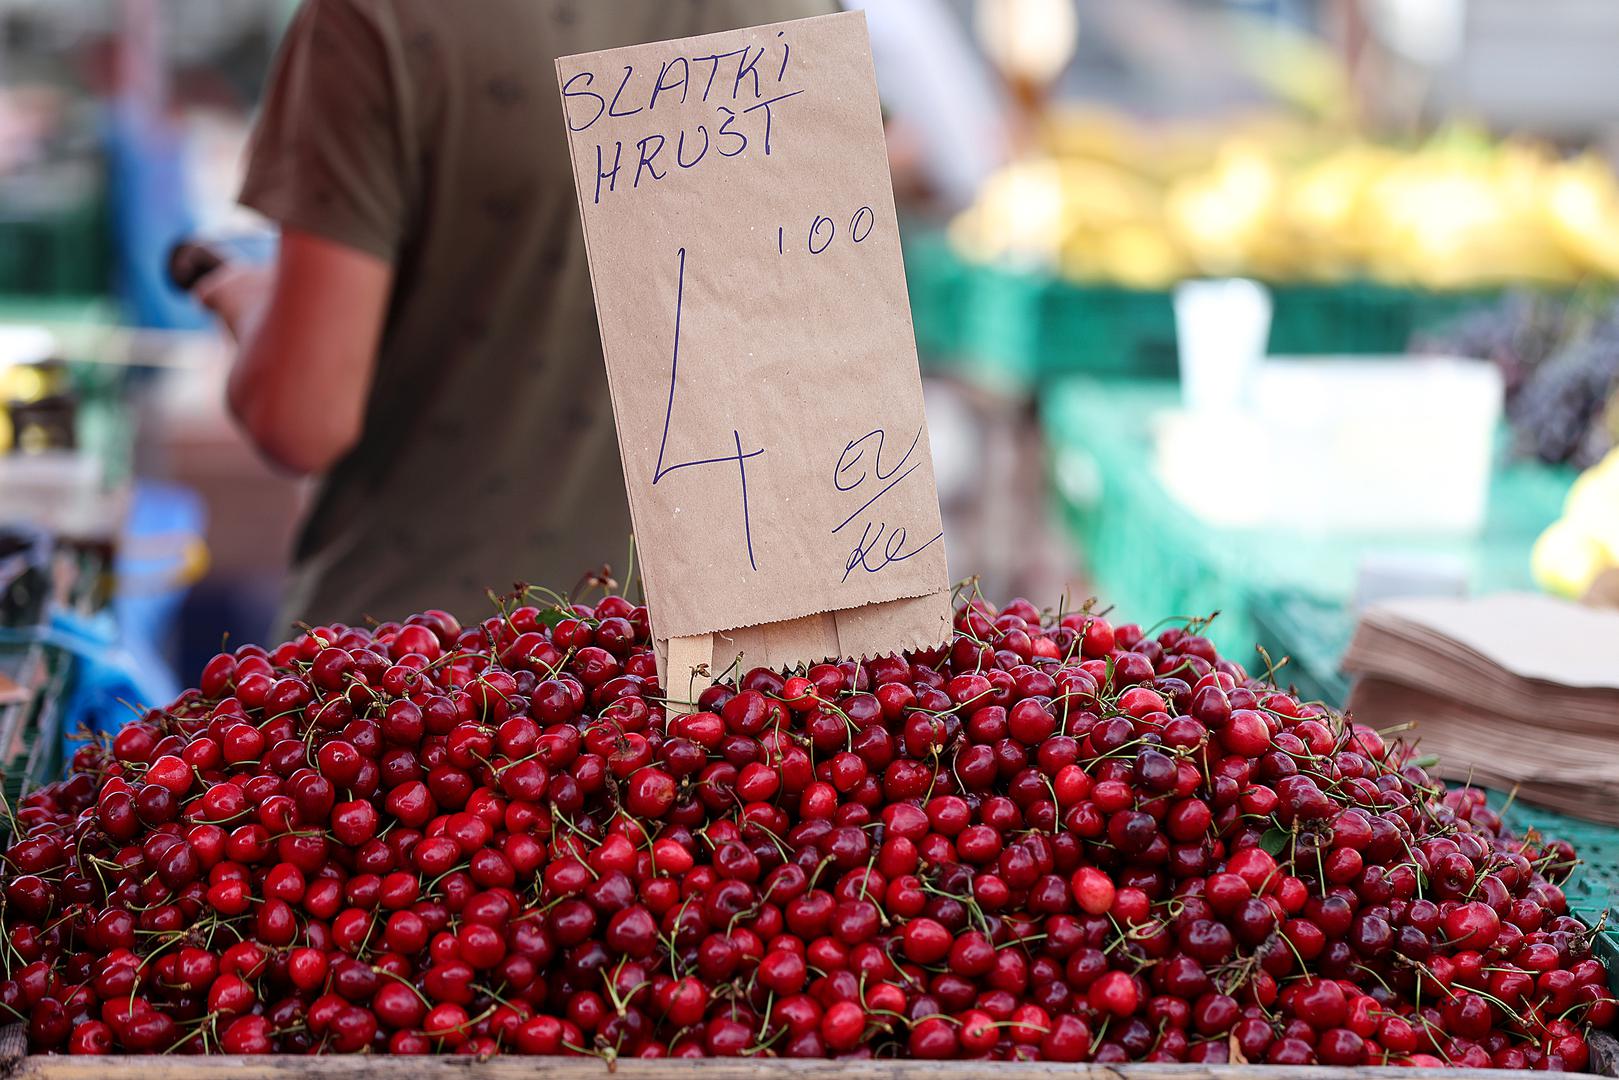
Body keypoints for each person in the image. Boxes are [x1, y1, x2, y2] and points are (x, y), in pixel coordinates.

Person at [194, 0, 834, 633]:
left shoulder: (379, 17)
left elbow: (302, 419)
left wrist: (248, 300)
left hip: (427, 683)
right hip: (759, 681)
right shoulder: (806, 7)